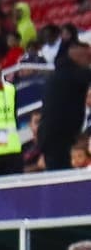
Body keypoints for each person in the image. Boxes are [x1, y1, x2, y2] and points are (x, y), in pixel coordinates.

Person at [39, 40, 91, 169]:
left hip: (56, 135)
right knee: (60, 172)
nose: (88, 61)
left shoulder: (60, 73)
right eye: (87, 57)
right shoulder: (70, 74)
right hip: (58, 136)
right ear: (76, 55)